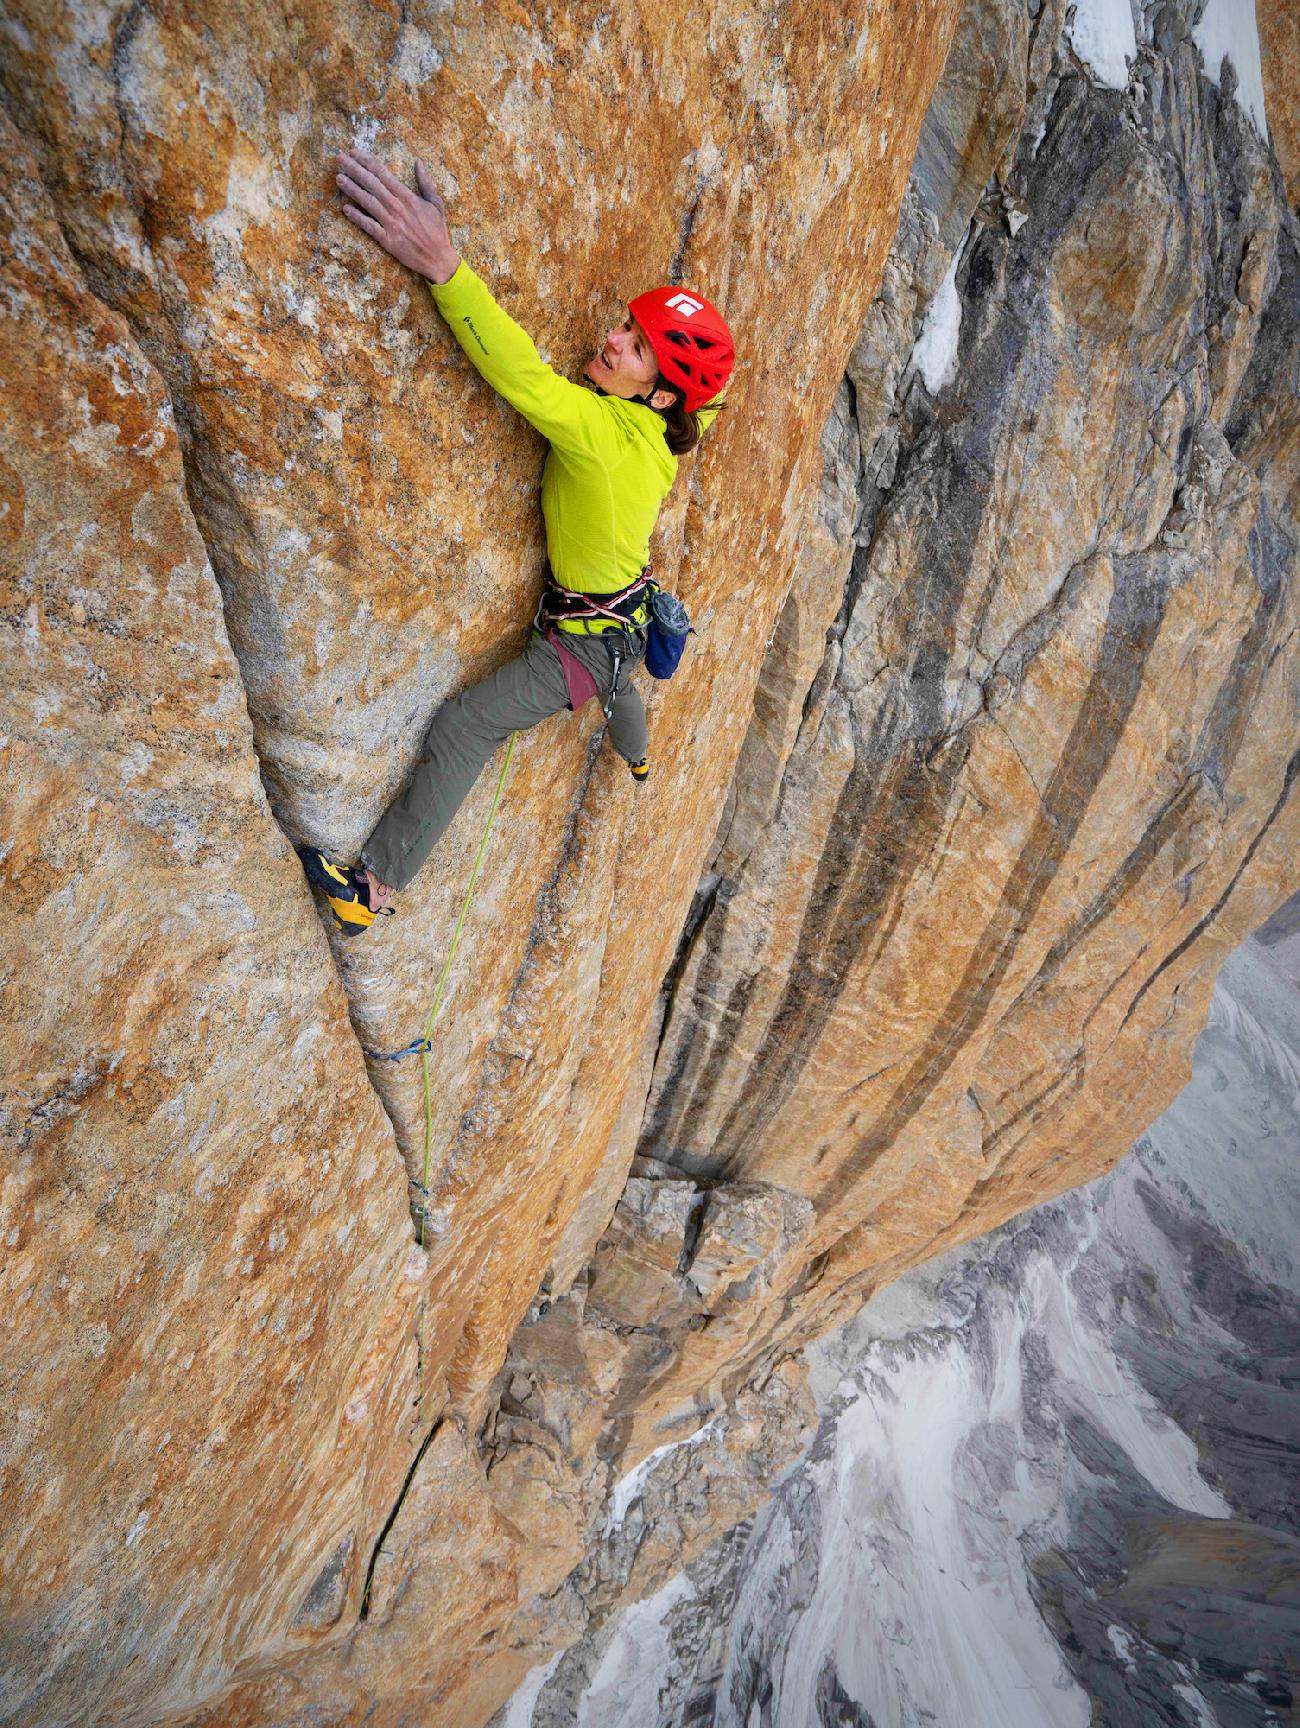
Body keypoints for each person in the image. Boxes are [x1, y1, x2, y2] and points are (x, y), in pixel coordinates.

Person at [299, 149, 734, 935]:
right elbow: (708, 400)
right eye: (627, 327)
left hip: (579, 646)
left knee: (467, 725)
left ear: (660, 391)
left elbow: (521, 376)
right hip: (622, 614)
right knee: (623, 692)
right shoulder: (670, 427)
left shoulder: (603, 430)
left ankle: (372, 893)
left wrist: (443, 264)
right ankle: (635, 758)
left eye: (634, 347)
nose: (610, 340)